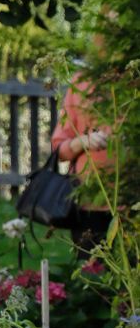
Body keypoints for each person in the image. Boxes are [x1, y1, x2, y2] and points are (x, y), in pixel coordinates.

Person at [50, 72, 113, 255]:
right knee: (92, 273)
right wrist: (84, 141)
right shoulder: (81, 82)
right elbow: (59, 149)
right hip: (89, 203)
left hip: (131, 202)